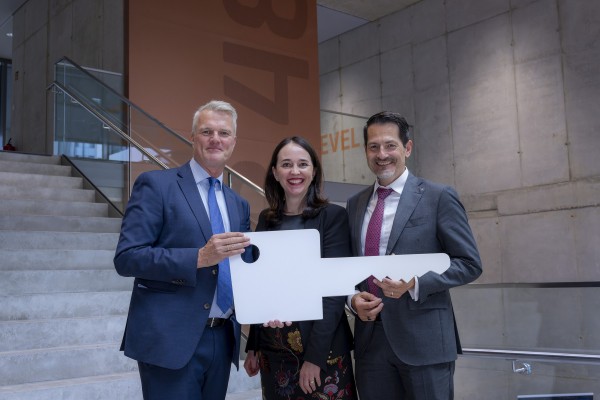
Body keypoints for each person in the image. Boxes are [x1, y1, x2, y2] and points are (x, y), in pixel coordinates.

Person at [114, 100, 251, 400]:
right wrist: (198, 258)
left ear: (233, 142)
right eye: (207, 131)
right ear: (192, 136)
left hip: (223, 337)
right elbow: (127, 258)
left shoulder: (238, 203)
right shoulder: (157, 185)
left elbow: (244, 269)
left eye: (224, 133)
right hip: (169, 339)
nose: (216, 139)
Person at [347, 111, 483, 399]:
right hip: (370, 344)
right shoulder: (355, 204)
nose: (381, 154)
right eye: (373, 147)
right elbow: (351, 267)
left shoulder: (438, 196)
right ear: (366, 151)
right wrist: (352, 298)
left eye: (390, 145)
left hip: (425, 343)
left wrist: (415, 283)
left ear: (407, 148)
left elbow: (469, 263)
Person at [243, 136, 357, 399]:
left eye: (303, 164)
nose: (295, 172)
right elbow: (260, 283)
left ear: (314, 171)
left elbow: (334, 291)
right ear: (275, 172)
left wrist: (314, 359)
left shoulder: (332, 217)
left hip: (322, 350)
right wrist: (253, 345)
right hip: (274, 349)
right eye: (286, 164)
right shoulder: (266, 219)